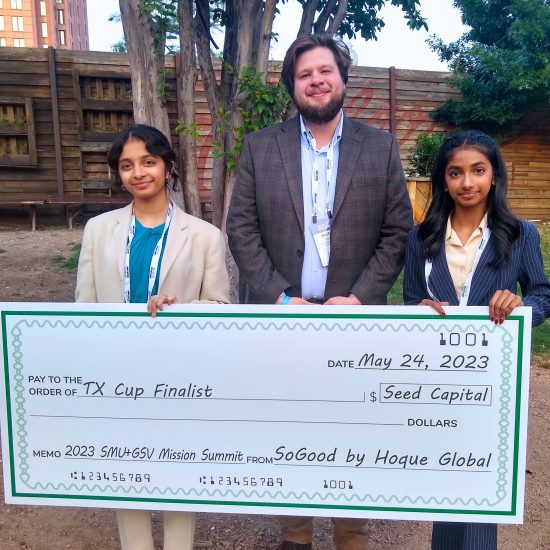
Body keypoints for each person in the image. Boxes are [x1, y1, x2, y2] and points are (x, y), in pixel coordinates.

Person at [227, 33, 413, 550]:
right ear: (292, 86)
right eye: (305, 74)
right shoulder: (261, 147)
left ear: (343, 78)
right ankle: (295, 534)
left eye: (324, 70)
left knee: (351, 430)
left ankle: (351, 533)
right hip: (283, 321)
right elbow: (241, 229)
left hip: (353, 324)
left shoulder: (380, 148)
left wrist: (359, 298)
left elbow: (398, 231)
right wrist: (281, 297)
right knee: (288, 430)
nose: (316, 80)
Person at [75, 124, 230, 550]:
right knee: (128, 476)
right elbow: (82, 308)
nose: (138, 172)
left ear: (168, 167)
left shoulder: (205, 237)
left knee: (179, 474)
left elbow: (220, 307)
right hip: (116, 376)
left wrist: (180, 308)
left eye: (148, 161)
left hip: (180, 379)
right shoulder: (98, 231)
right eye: (127, 165)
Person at [403, 129, 550, 550]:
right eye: (455, 173)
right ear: (443, 180)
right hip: (437, 380)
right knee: (445, 481)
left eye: (478, 171)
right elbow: (414, 299)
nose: (467, 183)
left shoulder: (522, 235)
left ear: (494, 176)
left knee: (483, 488)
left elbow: (543, 294)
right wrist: (418, 312)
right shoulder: (420, 238)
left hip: (493, 383)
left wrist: (520, 308)